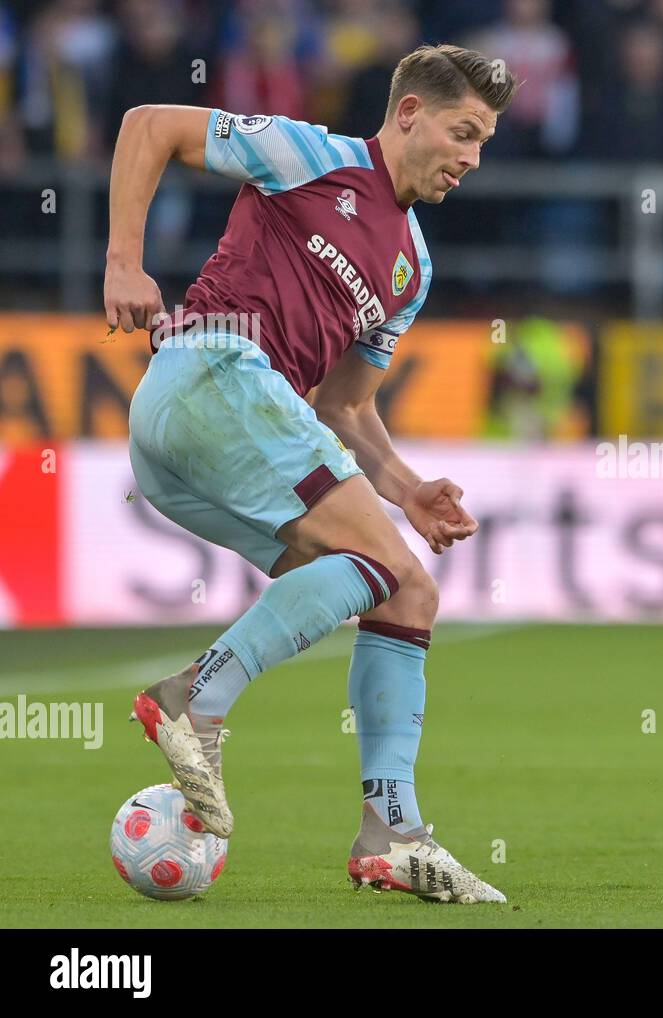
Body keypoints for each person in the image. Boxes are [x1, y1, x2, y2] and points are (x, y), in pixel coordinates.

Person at [104, 43, 517, 904]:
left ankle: (391, 832)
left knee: (402, 591)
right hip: (215, 370)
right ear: (409, 113)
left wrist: (407, 489)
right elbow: (150, 126)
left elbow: (346, 408)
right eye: (463, 132)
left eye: (484, 143)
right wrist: (123, 262)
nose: (473, 158)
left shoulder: (411, 268)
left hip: (210, 439)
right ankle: (194, 699)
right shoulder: (313, 155)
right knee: (392, 569)